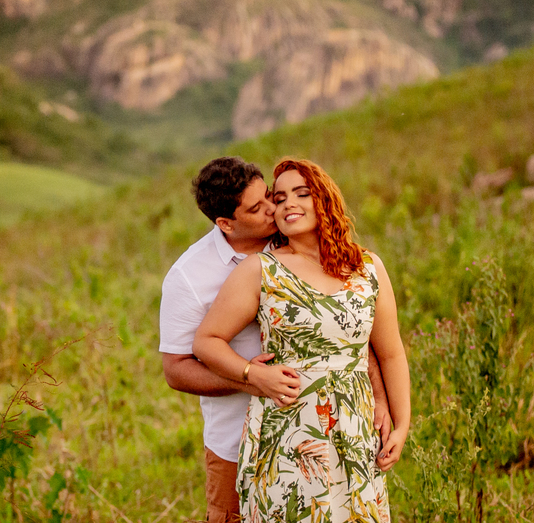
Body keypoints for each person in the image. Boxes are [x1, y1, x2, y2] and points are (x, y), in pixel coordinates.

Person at [160, 157, 391, 523]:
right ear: (226, 223)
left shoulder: (297, 237)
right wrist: (252, 379)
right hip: (236, 443)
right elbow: (176, 370)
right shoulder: (188, 277)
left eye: (270, 196)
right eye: (258, 208)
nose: (274, 209)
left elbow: (347, 331)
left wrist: (379, 397)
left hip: (331, 433)